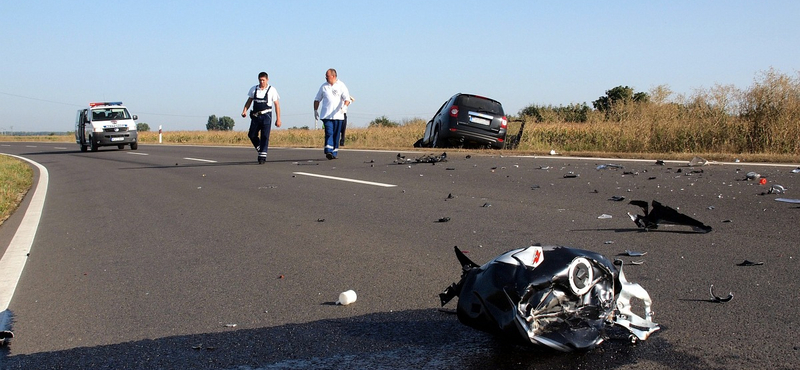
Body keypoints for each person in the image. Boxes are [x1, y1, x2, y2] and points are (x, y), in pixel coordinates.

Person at [242, 72, 281, 164]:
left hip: (266, 115)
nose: (262, 82)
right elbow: (249, 101)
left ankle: (262, 156)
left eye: (263, 80)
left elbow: (277, 105)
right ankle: (260, 148)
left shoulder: (272, 90)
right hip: (256, 116)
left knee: (265, 136)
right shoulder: (254, 89)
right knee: (251, 134)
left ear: (267, 80)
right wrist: (244, 110)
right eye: (260, 80)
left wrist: (278, 119)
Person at [313, 68, 350, 159]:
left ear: (333, 76)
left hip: (338, 115)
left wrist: (344, 107)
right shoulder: (324, 87)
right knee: (329, 132)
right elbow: (317, 99)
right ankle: (328, 150)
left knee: (336, 134)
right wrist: (315, 110)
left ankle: (334, 152)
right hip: (327, 115)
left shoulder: (341, 85)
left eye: (327, 76)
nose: (326, 77)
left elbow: (347, 99)